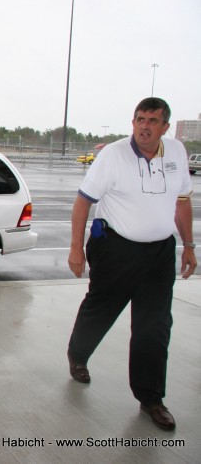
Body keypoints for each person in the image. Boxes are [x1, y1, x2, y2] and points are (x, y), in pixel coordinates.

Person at [66, 97, 196, 431]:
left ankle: (151, 398)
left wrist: (189, 245)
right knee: (101, 308)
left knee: (154, 326)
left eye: (153, 121)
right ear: (133, 122)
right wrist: (76, 248)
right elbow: (83, 201)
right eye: (140, 119)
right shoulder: (113, 155)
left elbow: (182, 201)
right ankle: (78, 354)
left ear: (165, 127)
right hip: (116, 249)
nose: (145, 127)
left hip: (159, 254)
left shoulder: (177, 153)